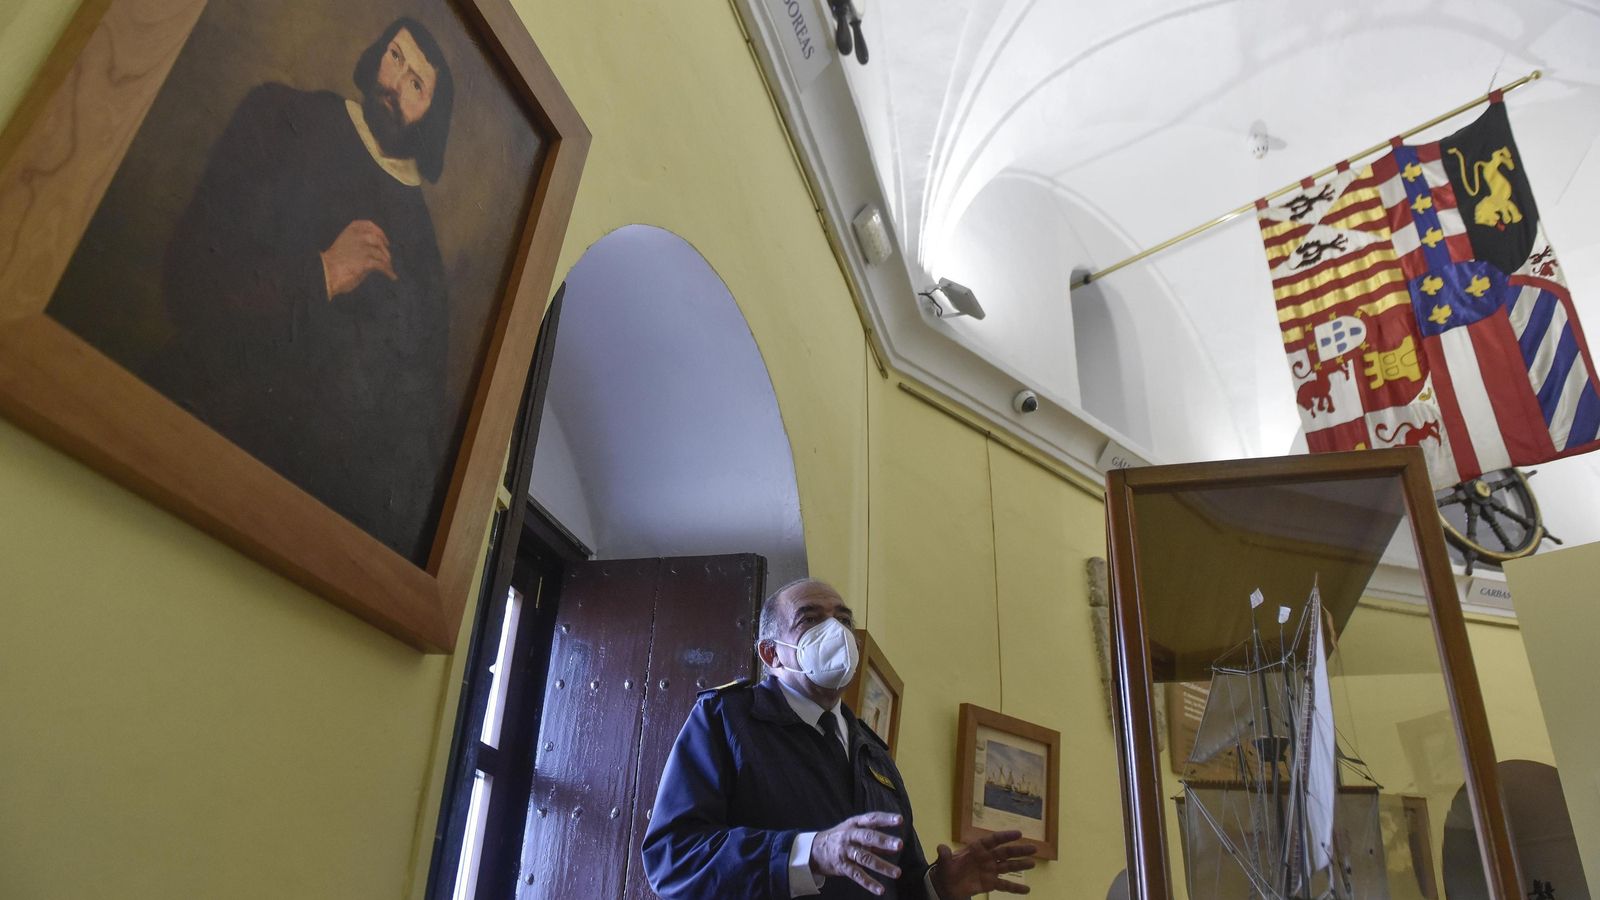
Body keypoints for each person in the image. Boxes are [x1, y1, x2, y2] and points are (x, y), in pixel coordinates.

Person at [150, 17, 457, 564]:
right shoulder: (282, 117)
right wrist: (322, 274)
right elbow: (190, 281)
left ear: (432, 118)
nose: (394, 82)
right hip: (194, 433)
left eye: (416, 85)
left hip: (310, 525)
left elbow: (410, 432)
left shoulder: (427, 264)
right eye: (395, 56)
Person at [642, 578, 1037, 898]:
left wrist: (938, 888)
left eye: (844, 621)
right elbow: (673, 860)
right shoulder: (726, 719)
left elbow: (899, 882)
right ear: (771, 654)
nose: (835, 631)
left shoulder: (873, 751)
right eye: (810, 619)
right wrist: (807, 854)